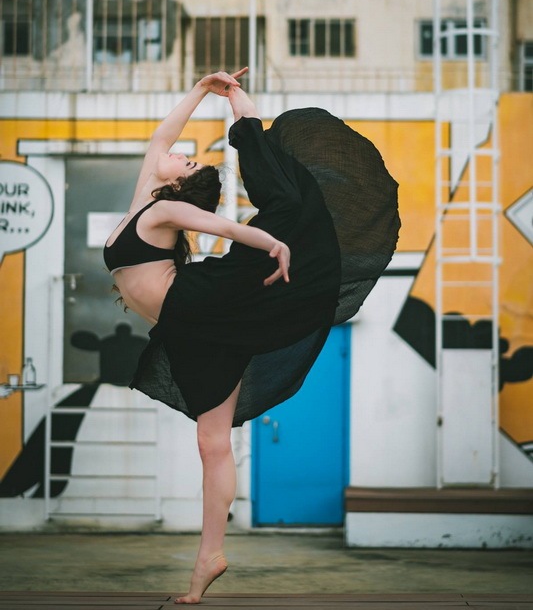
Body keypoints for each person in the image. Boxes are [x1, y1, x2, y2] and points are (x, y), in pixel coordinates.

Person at [103, 68, 400, 604]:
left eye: (185, 161)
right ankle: (208, 559)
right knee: (211, 442)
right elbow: (160, 138)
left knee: (287, 210)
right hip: (196, 328)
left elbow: (227, 229)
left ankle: (253, 130)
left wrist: (272, 244)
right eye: (185, 158)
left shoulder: (165, 207)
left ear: (173, 183)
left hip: (201, 303)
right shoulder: (145, 204)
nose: (180, 154)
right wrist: (205, 89)